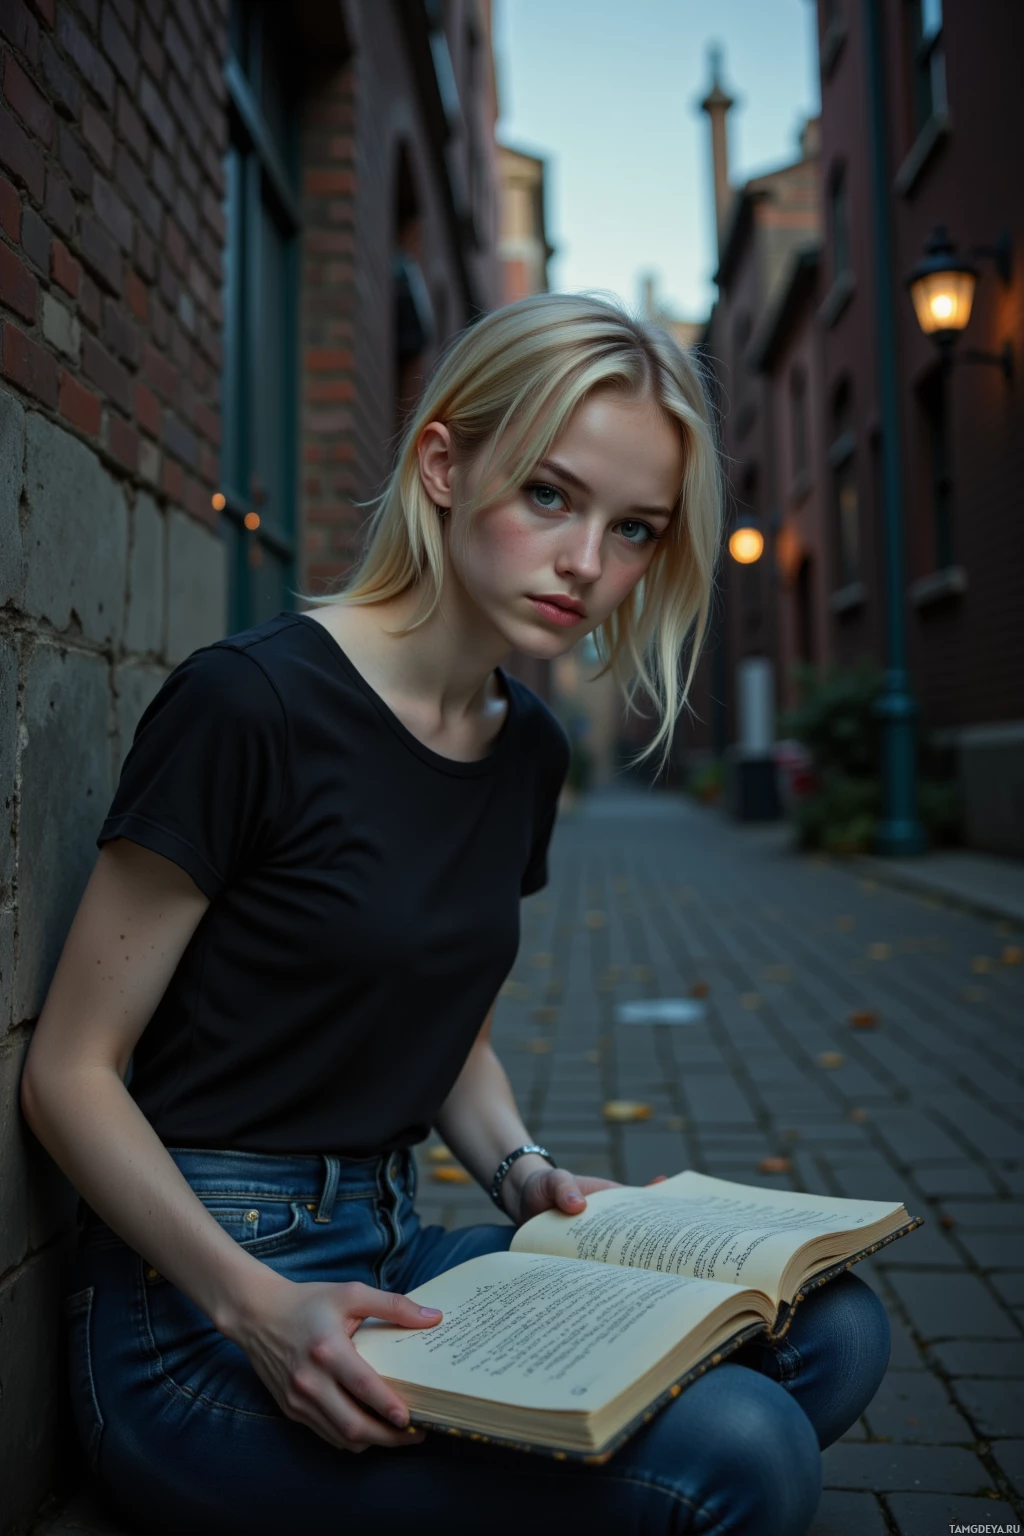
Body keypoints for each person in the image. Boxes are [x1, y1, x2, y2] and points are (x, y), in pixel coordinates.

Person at [21, 293, 889, 1536]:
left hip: (390, 1250)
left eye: (633, 528)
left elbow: (445, 1026)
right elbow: (69, 1074)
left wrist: (521, 1171)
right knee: (743, 1449)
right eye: (550, 496)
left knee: (829, 1333)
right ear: (442, 463)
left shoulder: (527, 747)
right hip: (196, 1311)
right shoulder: (248, 705)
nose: (588, 562)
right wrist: (256, 1306)